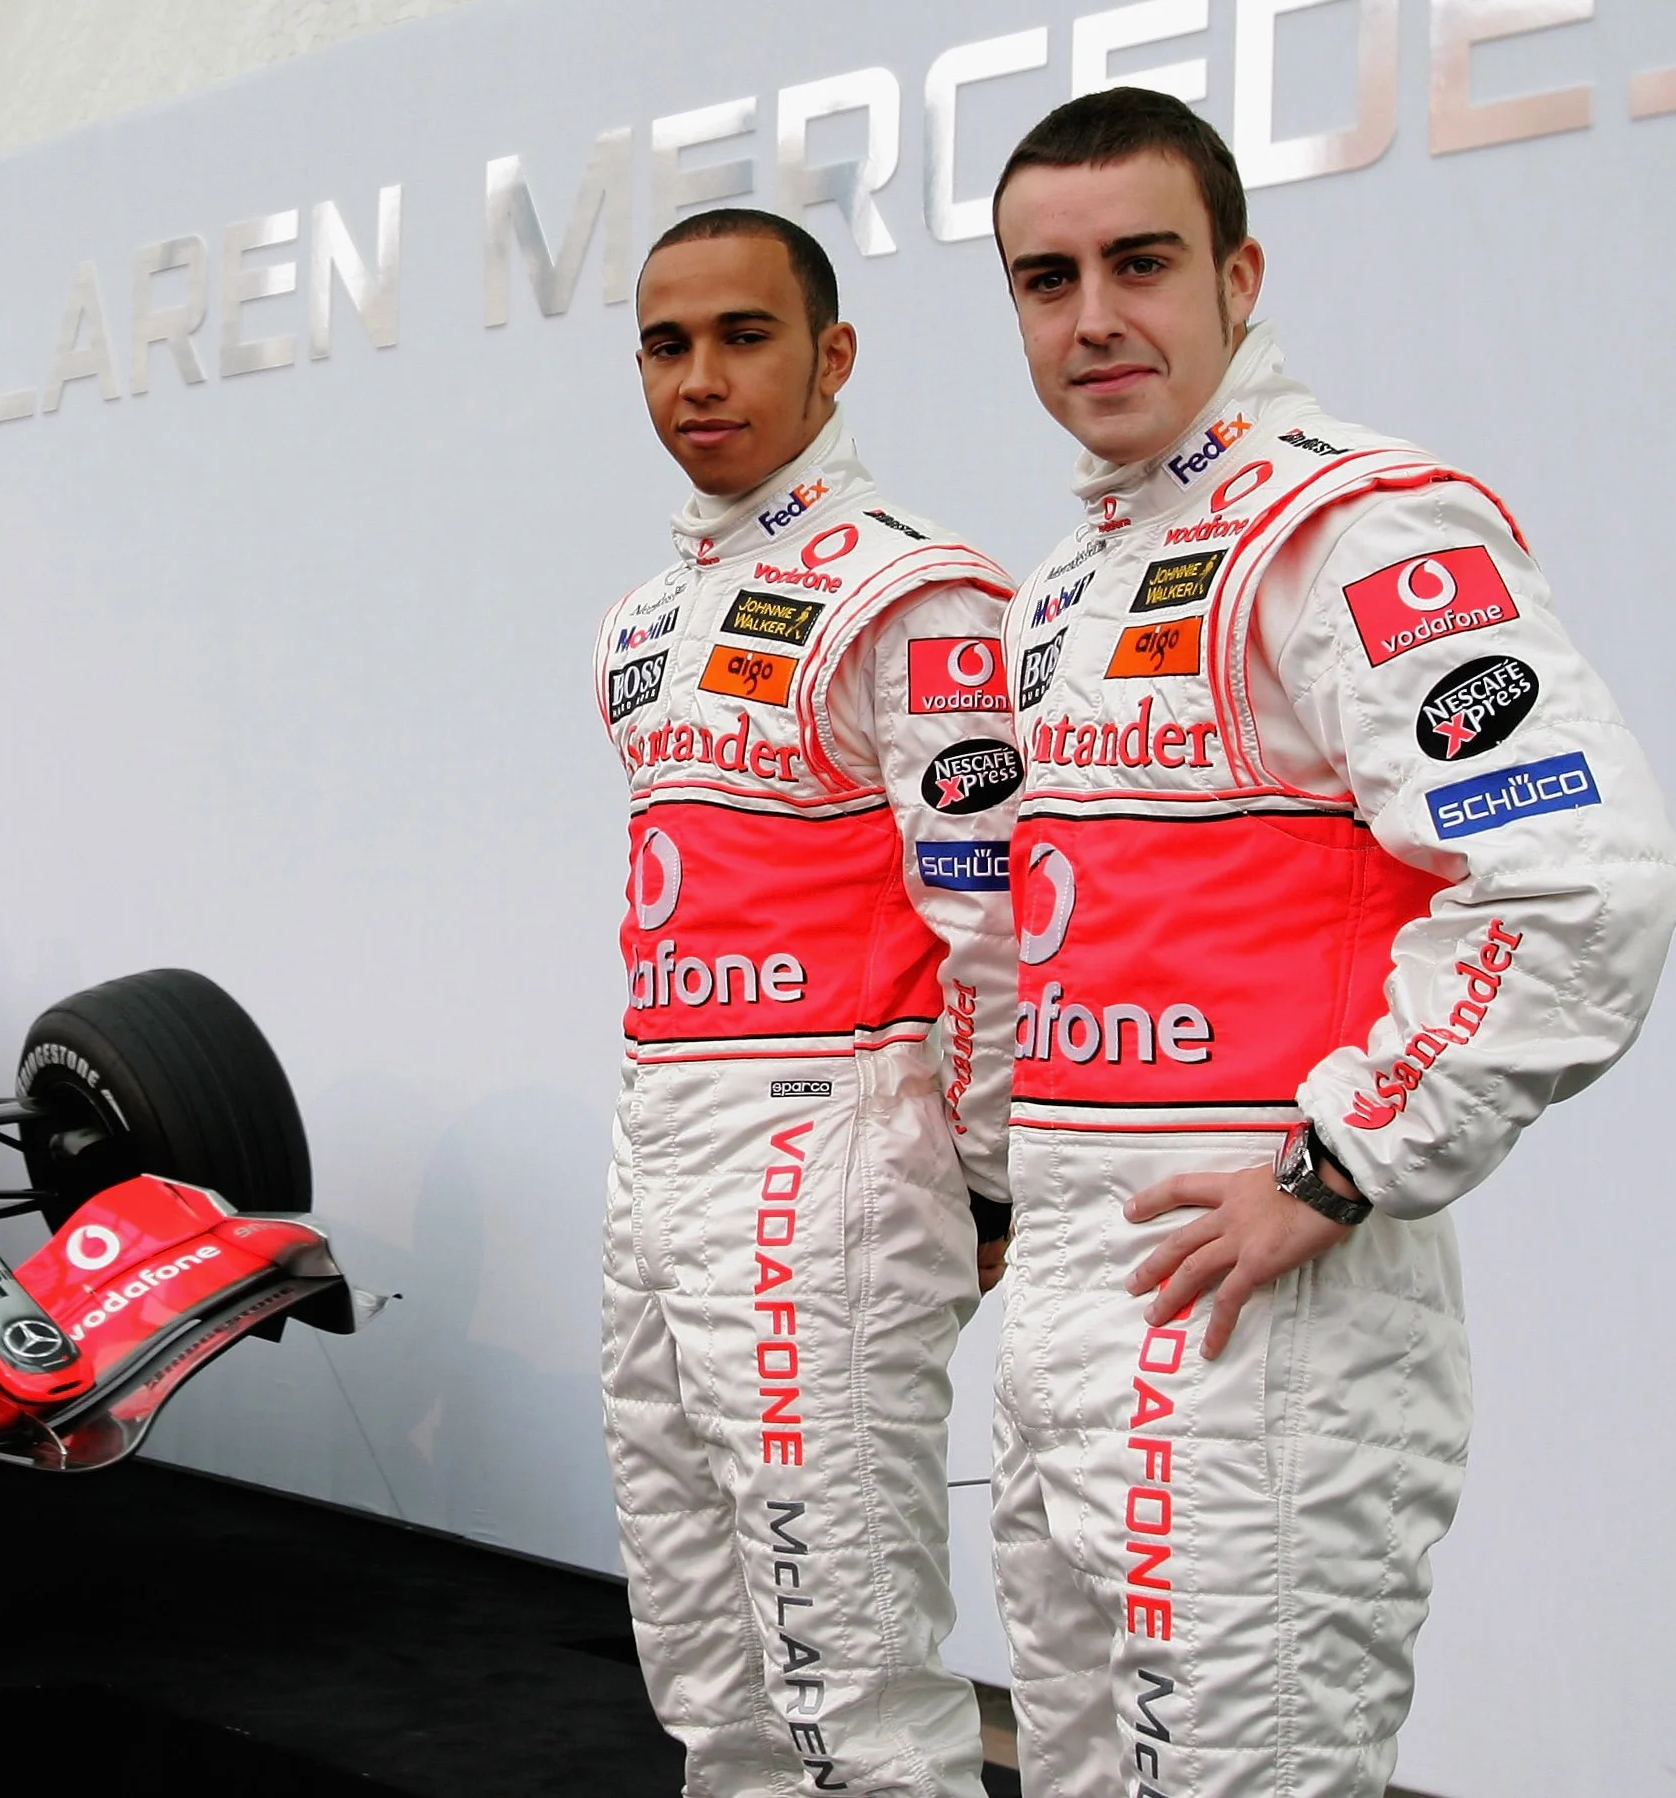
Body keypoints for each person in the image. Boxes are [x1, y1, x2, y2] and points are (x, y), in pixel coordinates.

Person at [981, 89, 1676, 1798]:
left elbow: (1582, 882)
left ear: (1239, 272)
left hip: (1263, 1327)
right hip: (1079, 1300)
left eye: (1139, 263)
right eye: (1044, 278)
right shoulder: (1067, 581)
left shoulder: (1358, 527)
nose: (1091, 319)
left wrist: (1339, 1161)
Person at [597, 207, 1021, 1798]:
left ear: (833, 354)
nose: (701, 378)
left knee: (847, 1652)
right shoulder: (641, 617)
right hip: (661, 1136)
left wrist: (983, 1170)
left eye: (744, 335)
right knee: (703, 1643)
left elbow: (991, 923)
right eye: (666, 342)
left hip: (829, 1138)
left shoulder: (917, 591)